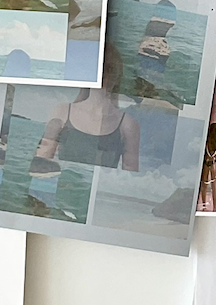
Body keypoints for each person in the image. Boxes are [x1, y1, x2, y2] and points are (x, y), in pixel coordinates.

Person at [29, 44, 139, 222]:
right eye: (99, 69)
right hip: (59, 208)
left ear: (117, 75)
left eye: (109, 69)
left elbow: (131, 180)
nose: (104, 76)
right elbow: (39, 167)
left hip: (99, 211)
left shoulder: (128, 125)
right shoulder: (62, 112)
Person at [198, 123, 216, 212]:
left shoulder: (207, 140)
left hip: (206, 163)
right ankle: (214, 207)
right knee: (214, 187)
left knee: (204, 185)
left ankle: (204, 205)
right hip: (214, 163)